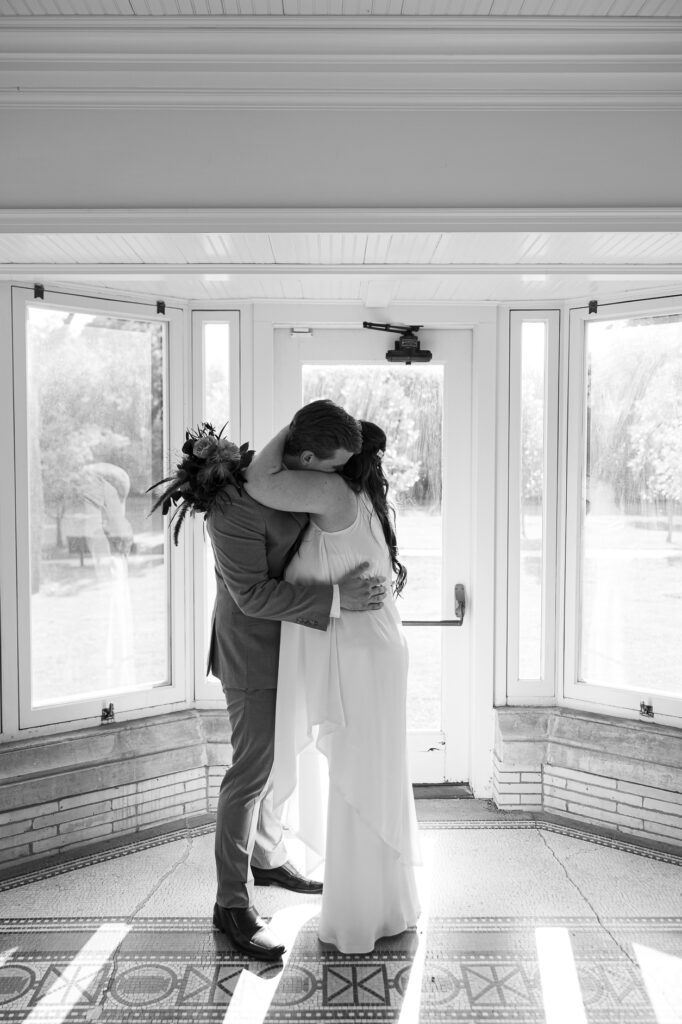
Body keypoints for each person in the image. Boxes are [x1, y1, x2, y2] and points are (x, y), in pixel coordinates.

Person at [150, 400, 386, 963]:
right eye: (334, 465)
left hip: (297, 643)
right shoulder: (230, 509)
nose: (338, 476)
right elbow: (252, 596)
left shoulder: (285, 478)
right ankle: (231, 903)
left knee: (280, 764)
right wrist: (338, 597)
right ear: (306, 458)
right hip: (253, 653)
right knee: (250, 772)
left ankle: (267, 858)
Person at [244, 417, 421, 955]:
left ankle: (356, 919)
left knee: (356, 784)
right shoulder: (361, 496)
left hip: (362, 657)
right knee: (373, 779)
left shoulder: (332, 492)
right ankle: (387, 907)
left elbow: (257, 479)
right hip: (376, 649)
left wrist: (299, 424)